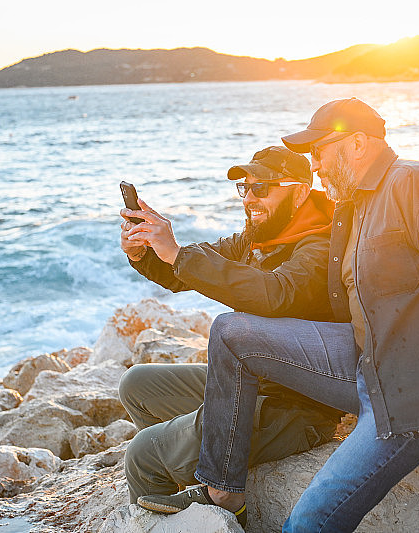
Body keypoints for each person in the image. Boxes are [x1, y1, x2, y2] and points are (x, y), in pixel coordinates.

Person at [137, 98, 419, 532]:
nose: (316, 166)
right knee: (231, 332)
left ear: (358, 144)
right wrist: (151, 255)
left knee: (308, 523)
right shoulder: (354, 205)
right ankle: (224, 492)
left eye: (320, 153)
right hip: (367, 363)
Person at [117, 146, 345, 527]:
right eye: (246, 188)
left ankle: (191, 476)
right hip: (249, 383)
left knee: (142, 453)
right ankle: (197, 471)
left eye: (263, 188)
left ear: (300, 192)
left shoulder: (320, 247)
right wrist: (147, 251)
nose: (250, 199)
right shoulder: (259, 238)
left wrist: (179, 254)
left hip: (295, 407)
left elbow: (274, 293)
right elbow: (185, 269)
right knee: (136, 383)